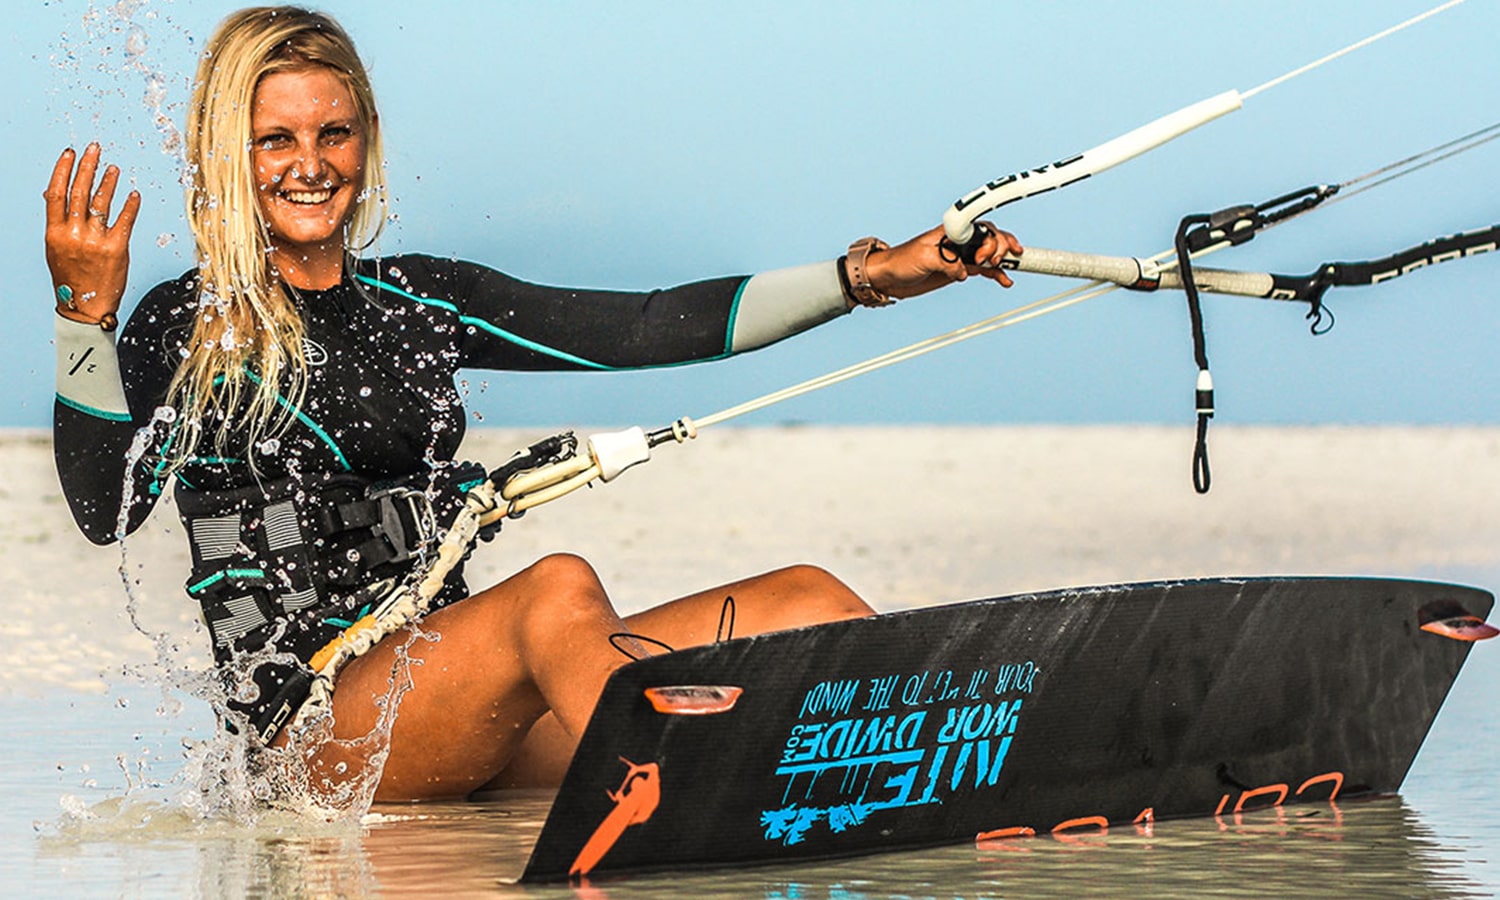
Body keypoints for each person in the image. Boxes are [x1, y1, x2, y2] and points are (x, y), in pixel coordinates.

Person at [44, 6, 1023, 802]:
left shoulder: (418, 304)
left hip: (451, 713)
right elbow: (103, 511)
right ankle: (687, 809)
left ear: (365, 141)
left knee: (804, 601)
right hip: (312, 740)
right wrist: (86, 317)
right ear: (230, 154)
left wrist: (872, 277)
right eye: (276, 140)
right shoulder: (195, 324)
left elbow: (646, 324)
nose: (311, 162)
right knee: (555, 592)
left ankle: (969, 785)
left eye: (333, 132)